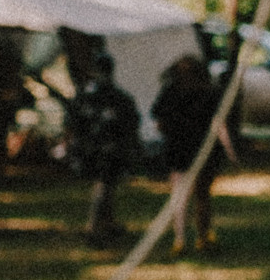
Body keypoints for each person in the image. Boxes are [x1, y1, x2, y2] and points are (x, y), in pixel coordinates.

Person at [151, 54, 236, 254]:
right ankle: (202, 236)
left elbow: (159, 123)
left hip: (180, 149)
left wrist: (172, 132)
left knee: (181, 196)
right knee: (201, 195)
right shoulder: (208, 93)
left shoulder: (171, 92)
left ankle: (181, 239)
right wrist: (230, 151)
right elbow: (219, 124)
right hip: (201, 149)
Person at [66, 49, 142, 243]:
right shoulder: (100, 97)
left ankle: (107, 222)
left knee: (107, 185)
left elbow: (130, 122)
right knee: (104, 186)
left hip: (104, 148)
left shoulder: (100, 96)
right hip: (101, 149)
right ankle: (93, 226)